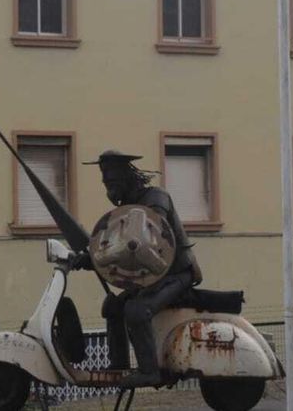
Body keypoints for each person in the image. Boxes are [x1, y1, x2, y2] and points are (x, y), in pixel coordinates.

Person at [75, 150, 200, 389]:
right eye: (105, 183)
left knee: (136, 310)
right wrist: (87, 260)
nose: (108, 190)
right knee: (113, 306)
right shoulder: (128, 209)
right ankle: (118, 365)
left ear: (124, 179)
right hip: (153, 278)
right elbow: (121, 250)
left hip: (177, 273)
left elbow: (146, 240)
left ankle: (149, 372)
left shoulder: (155, 198)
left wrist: (95, 258)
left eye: (111, 183)